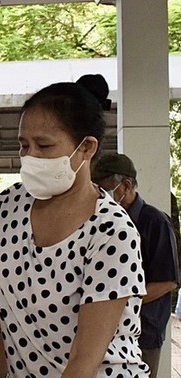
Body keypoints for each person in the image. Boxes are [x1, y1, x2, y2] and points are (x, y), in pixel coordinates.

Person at [0, 82, 149, 377]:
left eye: (43, 146)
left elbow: (84, 361)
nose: (30, 156)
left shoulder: (112, 232)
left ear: (86, 147)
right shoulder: (10, 204)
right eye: (23, 145)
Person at [92, 153, 179, 377]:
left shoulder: (155, 222)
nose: (100, 196)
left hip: (144, 332)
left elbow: (168, 281)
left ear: (126, 186)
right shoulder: (102, 221)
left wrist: (126, 301)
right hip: (107, 330)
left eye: (104, 189)